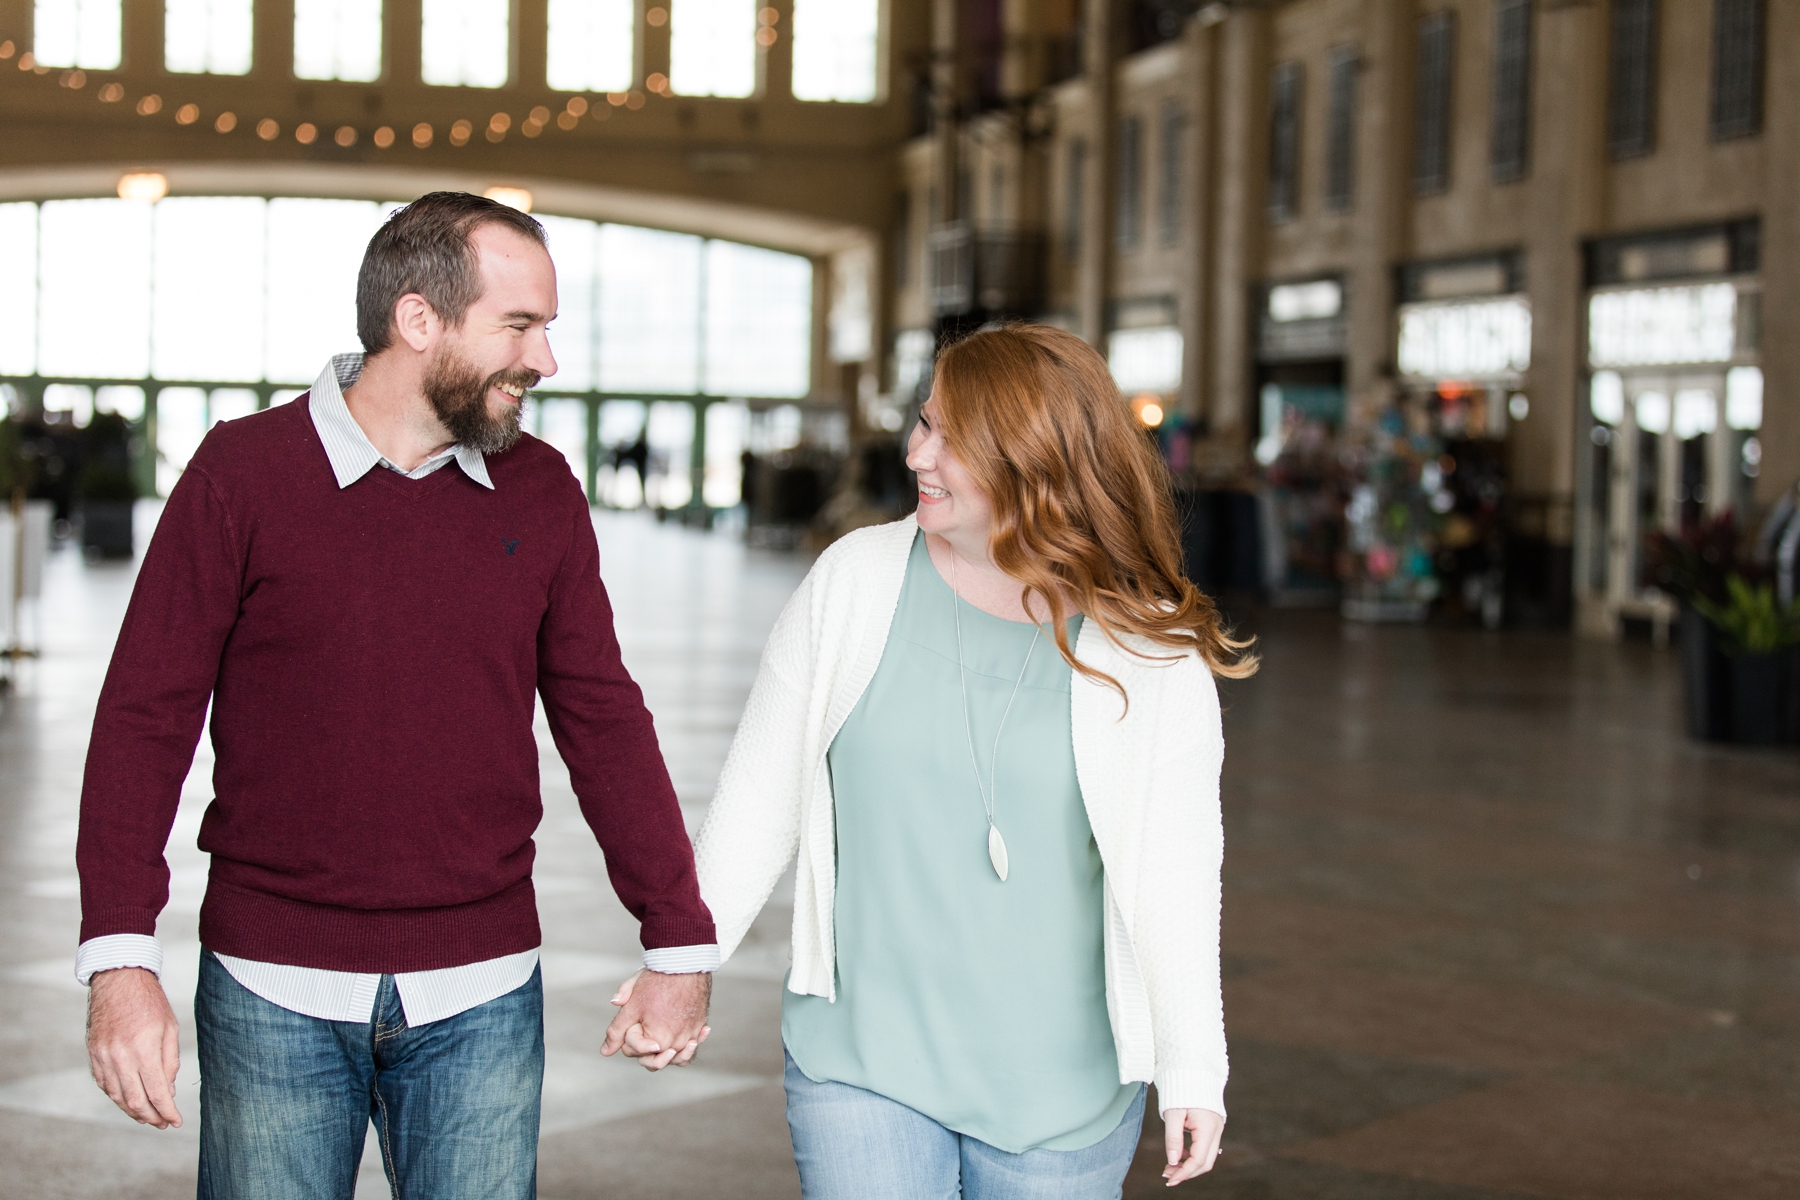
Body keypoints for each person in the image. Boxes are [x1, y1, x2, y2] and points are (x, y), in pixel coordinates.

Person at [76, 191, 716, 1200]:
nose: (546, 361)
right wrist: (120, 959)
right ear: (418, 321)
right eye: (520, 326)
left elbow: (601, 714)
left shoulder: (542, 489)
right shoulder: (241, 474)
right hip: (268, 986)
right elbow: (145, 715)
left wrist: (678, 935)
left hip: (485, 989)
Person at [675, 322, 1253, 1197]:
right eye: (923, 422)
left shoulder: (1150, 655)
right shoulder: (857, 580)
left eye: (949, 436)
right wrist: (681, 960)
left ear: (1035, 458)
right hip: (861, 1055)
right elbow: (760, 794)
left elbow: (1177, 873)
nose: (916, 454)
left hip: (1064, 1085)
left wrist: (1193, 1066)